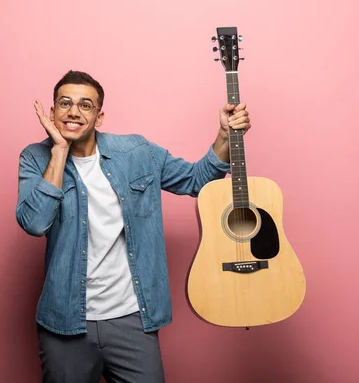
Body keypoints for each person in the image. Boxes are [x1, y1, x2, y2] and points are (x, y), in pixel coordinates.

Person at [16, 70, 251, 382]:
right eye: (65, 103)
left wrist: (224, 136)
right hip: (65, 323)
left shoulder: (137, 152)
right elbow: (34, 222)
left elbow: (197, 181)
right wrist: (58, 150)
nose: (73, 111)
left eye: (85, 105)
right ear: (52, 111)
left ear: (99, 117)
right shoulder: (35, 158)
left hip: (131, 320)